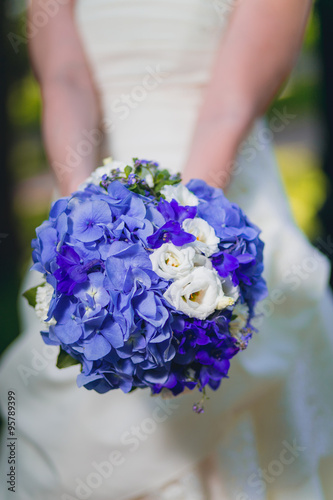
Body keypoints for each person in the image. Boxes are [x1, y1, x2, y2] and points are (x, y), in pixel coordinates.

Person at [1, 0, 333, 498]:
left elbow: (231, 104)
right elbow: (64, 77)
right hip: (92, 197)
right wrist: (84, 219)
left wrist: (186, 238)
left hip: (215, 188)